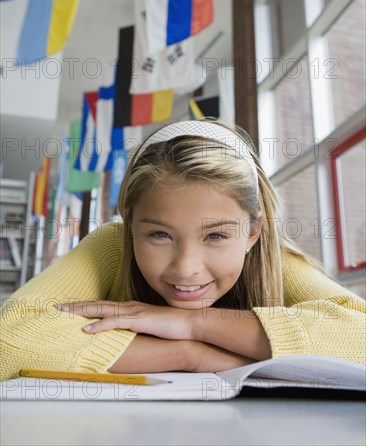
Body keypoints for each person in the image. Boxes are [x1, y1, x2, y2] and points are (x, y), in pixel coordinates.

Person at [1, 119, 365, 381]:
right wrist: (189, 353)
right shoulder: (112, 244)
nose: (186, 268)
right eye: (159, 234)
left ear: (253, 232)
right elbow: (8, 341)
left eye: (216, 236)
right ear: (130, 226)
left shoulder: (271, 258)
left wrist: (192, 323)